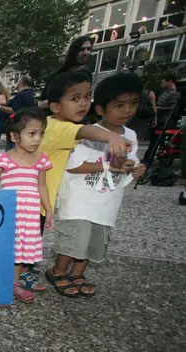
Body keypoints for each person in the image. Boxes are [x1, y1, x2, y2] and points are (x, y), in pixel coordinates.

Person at [50, 73, 146, 298]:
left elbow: (131, 162)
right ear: (101, 109)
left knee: (95, 239)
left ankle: (78, 274)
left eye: (133, 104)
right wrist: (107, 166)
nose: (127, 110)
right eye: (119, 105)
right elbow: (73, 166)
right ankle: (58, 271)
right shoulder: (86, 133)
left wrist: (137, 169)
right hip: (79, 200)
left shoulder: (130, 135)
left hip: (107, 201)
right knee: (74, 239)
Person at [0, 109, 52, 303]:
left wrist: (49, 210)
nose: (37, 139)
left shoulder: (41, 159)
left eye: (41, 134)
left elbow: (41, 186)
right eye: (32, 133)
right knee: (8, 250)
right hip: (11, 214)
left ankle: (13, 284)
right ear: (14, 136)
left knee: (20, 252)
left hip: (30, 214)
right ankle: (2, 283)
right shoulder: (4, 159)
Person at [39, 35, 94, 108]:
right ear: (74, 51)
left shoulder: (87, 74)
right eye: (82, 49)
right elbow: (41, 104)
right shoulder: (58, 76)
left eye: (88, 49)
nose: (86, 53)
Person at [145, 74, 181, 162]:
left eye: (163, 82)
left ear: (169, 82)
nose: (162, 84)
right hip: (158, 118)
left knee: (154, 141)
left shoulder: (174, 93)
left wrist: (158, 108)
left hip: (164, 120)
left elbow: (173, 108)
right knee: (153, 140)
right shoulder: (165, 92)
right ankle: (149, 157)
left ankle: (149, 158)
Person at [0, 76, 36, 150]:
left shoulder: (21, 95)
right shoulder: (30, 95)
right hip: (25, 125)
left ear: (21, 82)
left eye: (18, 81)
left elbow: (13, 110)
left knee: (11, 150)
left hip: (16, 125)